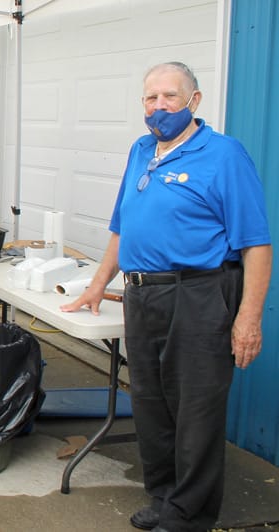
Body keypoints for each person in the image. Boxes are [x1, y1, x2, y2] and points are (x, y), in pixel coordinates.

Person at [61, 62, 271, 532]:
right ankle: (164, 496)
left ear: (194, 101)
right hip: (142, 295)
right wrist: (97, 286)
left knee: (195, 407)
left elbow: (256, 243)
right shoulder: (142, 149)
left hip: (198, 294)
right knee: (152, 403)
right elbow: (122, 225)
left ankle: (189, 514)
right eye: (150, 98)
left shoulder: (224, 155)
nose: (159, 107)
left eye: (170, 97)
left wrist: (248, 318)